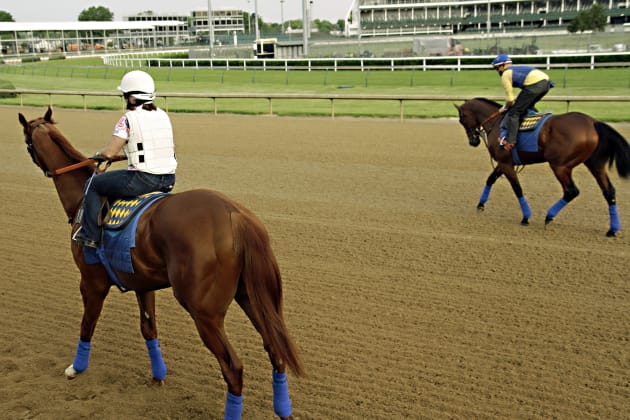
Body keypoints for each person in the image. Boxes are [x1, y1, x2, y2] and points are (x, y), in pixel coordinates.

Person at [73, 70, 177, 248]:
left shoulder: (128, 118)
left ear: (131, 97)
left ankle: (90, 235)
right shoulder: (162, 114)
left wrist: (100, 154)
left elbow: (110, 153)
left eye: (125, 95)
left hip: (143, 179)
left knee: (94, 184)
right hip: (168, 179)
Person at [492, 54, 553, 151]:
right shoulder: (516, 68)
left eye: (496, 68)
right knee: (527, 106)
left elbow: (510, 99)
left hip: (534, 85)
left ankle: (510, 141)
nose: (497, 71)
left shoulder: (505, 74)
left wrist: (504, 108)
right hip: (546, 83)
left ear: (502, 66)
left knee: (514, 113)